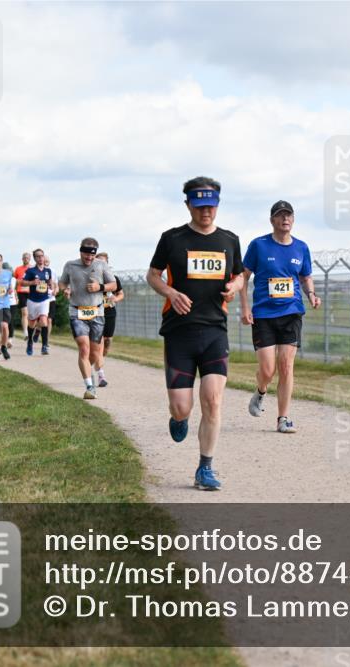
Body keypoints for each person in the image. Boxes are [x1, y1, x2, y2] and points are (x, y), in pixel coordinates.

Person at [146, 176, 243, 491]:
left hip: (215, 330)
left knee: (213, 400)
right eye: (200, 206)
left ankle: (205, 468)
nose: (206, 213)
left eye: (211, 206)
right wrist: (171, 293)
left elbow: (240, 276)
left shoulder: (229, 240)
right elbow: (152, 275)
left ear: (217, 205)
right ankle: (179, 418)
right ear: (188, 204)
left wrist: (234, 287)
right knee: (182, 407)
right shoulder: (172, 239)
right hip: (179, 333)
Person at [240, 200, 321, 433]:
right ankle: (261, 390)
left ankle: (283, 418)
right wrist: (245, 307)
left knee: (286, 366)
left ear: (293, 220)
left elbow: (305, 277)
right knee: (268, 370)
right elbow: (243, 277)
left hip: (291, 312)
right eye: (280, 215)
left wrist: (312, 295)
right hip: (263, 314)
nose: (285, 219)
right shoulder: (258, 245)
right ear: (272, 220)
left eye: (289, 215)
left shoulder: (301, 247)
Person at [58, 238, 116, 399]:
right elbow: (62, 283)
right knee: (84, 348)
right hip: (77, 312)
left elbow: (114, 285)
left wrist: (100, 287)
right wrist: (66, 289)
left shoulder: (101, 265)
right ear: (81, 251)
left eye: (92, 256)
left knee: (95, 353)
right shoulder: (70, 265)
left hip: (97, 312)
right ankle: (89, 387)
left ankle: (86, 369)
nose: (89, 259)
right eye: (86, 255)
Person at [94, 251, 124, 387]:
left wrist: (115, 298)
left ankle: (99, 361)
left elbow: (121, 294)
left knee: (107, 342)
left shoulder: (114, 278)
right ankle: (101, 374)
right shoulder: (91, 279)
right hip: (95, 313)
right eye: (99, 262)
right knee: (99, 343)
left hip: (110, 312)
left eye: (104, 262)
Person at [18, 248, 55, 356]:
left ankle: (44, 346)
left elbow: (51, 283)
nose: (40, 258)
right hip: (32, 301)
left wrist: (50, 284)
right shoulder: (30, 271)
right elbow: (22, 283)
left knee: (44, 321)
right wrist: (32, 282)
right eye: (38, 256)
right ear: (34, 258)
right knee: (32, 323)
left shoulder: (48, 271)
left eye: (42, 256)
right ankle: (30, 342)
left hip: (44, 300)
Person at [14, 251, 32, 339]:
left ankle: (31, 330)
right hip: (21, 292)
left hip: (32, 293)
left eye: (28, 258)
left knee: (32, 314)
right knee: (24, 313)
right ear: (22, 259)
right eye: (24, 258)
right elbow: (14, 281)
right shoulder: (18, 269)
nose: (26, 259)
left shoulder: (33, 268)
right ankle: (26, 333)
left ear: (30, 259)